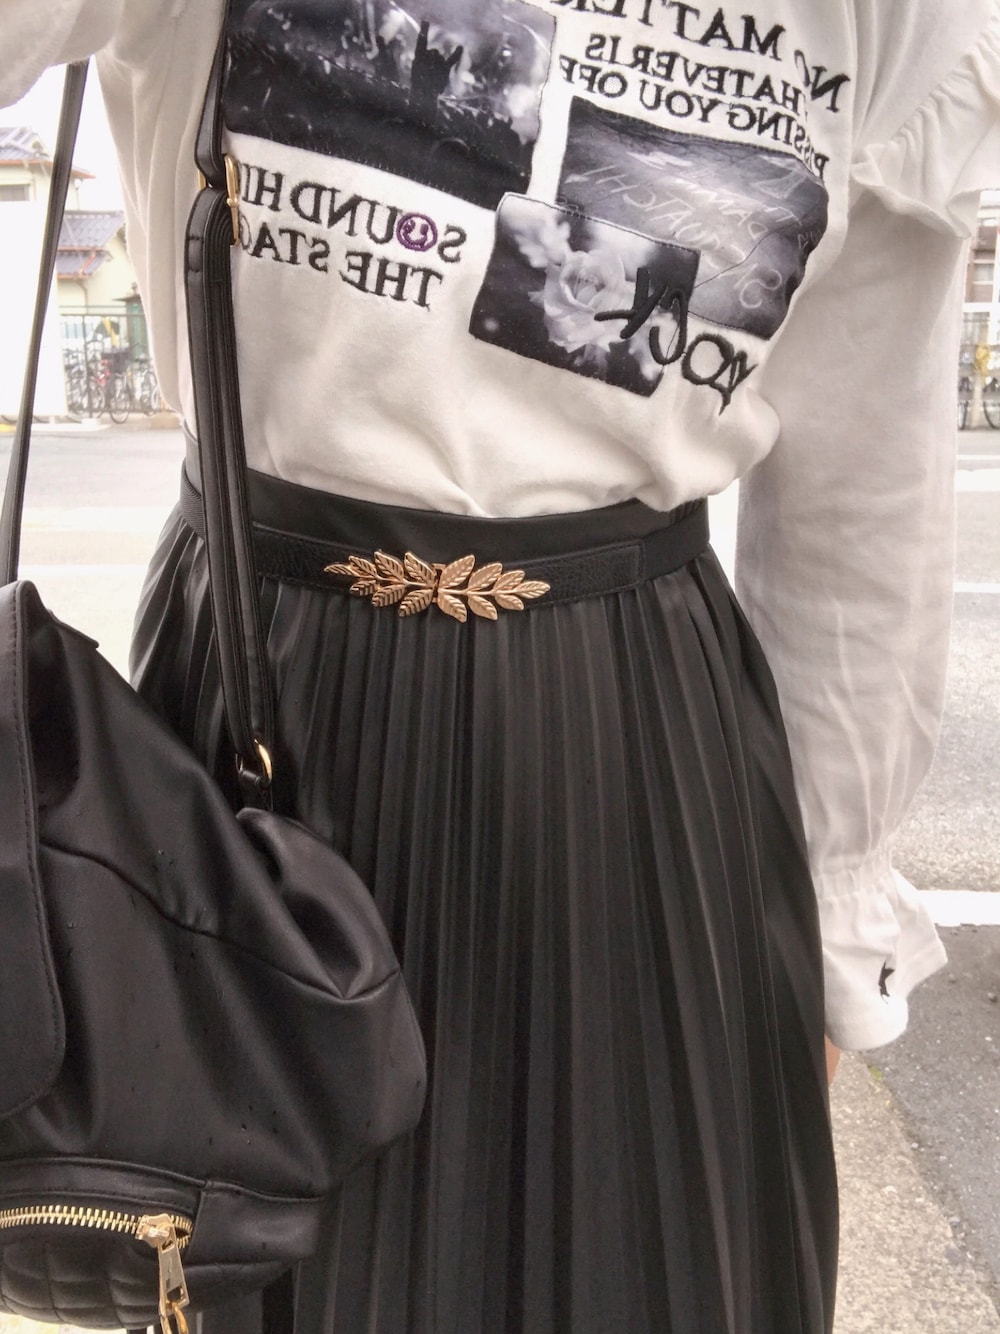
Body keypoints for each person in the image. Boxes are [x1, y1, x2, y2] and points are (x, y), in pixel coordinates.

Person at [4, 2, 999, 1330]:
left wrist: (832, 934)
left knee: (647, 1273)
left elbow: (857, 495)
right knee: (261, 1261)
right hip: (261, 711)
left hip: (639, 747)